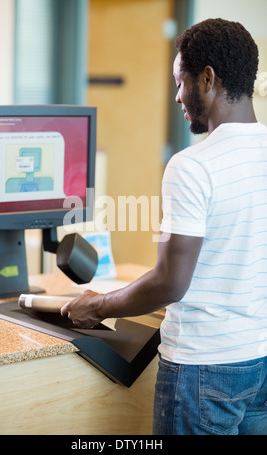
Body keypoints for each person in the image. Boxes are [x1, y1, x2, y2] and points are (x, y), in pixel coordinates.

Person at [61, 18, 267, 435]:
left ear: (207, 79)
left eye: (180, 82)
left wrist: (95, 305)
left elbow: (170, 283)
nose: (177, 96)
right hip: (258, 360)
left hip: (202, 370)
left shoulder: (193, 165)